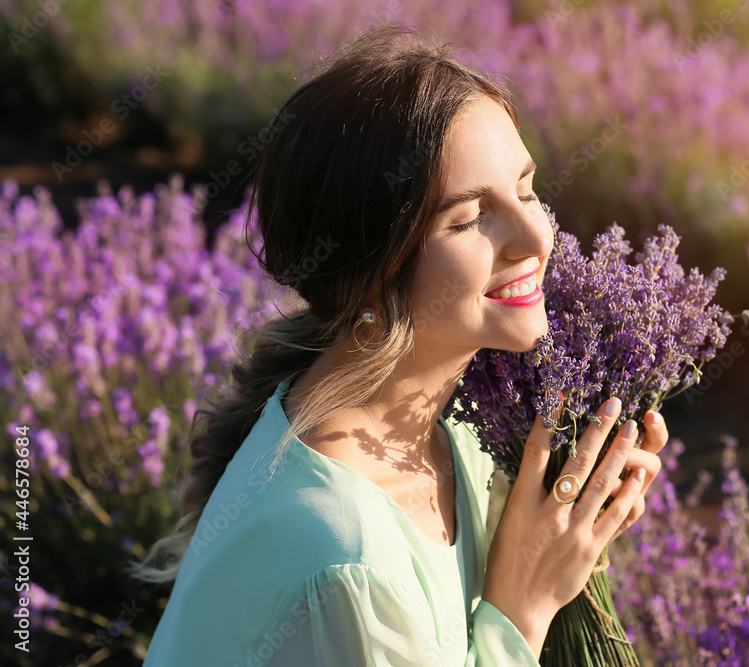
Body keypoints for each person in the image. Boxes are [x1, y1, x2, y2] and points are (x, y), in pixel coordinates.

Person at [128, 21, 667, 666]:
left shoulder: (446, 426)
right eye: (470, 219)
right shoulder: (349, 562)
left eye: (527, 190)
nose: (536, 236)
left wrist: (571, 520)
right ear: (369, 269)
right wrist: (526, 607)